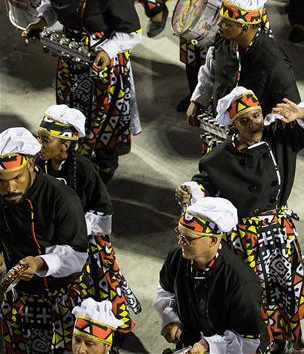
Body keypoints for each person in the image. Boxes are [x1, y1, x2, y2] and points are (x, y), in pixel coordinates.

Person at [178, 87, 304, 353]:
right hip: (246, 239)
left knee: (282, 290)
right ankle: (258, 341)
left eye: (257, 115)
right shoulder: (218, 158)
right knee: (254, 294)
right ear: (233, 124)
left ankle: (281, 340)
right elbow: (203, 186)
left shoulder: (280, 137)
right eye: (244, 120)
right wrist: (189, 190)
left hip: (280, 234)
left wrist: (300, 111)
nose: (253, 123)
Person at [22, 0, 141, 182]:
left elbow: (132, 33)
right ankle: (77, 154)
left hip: (104, 62)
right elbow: (52, 5)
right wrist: (41, 21)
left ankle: (107, 158)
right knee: (71, 105)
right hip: (71, 54)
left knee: (106, 112)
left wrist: (107, 51)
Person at [35, 105, 139, 335]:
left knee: (97, 285)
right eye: (38, 138)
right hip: (52, 240)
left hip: (86, 242)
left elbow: (103, 209)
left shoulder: (84, 169)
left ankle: (102, 328)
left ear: (65, 144)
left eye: (45, 140)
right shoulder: (38, 165)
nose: (39, 144)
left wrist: (76, 227)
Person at [0, 128, 89, 354]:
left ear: (30, 164)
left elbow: (78, 254)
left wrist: (41, 262)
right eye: (1, 181)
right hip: (18, 295)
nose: (10, 188)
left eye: (17, 178)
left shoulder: (62, 198)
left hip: (60, 297)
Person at [154, 197, 262, 353]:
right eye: (179, 234)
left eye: (188, 239)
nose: (180, 243)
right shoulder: (178, 256)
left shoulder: (241, 282)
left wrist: (209, 346)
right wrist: (171, 318)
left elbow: (249, 339)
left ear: (212, 240)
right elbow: (166, 290)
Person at [188, 0, 302, 125]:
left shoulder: (275, 63)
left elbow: (290, 111)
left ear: (245, 27)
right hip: (221, 127)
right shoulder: (223, 40)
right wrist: (197, 100)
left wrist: (256, 135)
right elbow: (210, 71)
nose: (218, 24)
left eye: (226, 23)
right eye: (220, 19)